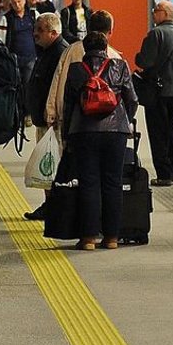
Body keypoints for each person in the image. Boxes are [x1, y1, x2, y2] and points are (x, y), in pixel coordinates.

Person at [62, 31, 139, 250]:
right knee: (113, 182)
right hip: (116, 132)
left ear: (85, 49)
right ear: (106, 48)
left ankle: (88, 238)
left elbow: (68, 105)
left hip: (84, 131)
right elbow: (132, 99)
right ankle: (112, 237)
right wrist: (126, 120)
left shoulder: (76, 69)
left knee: (88, 182)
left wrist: (67, 134)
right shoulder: (120, 66)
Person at [45, 10, 123, 154]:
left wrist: (51, 112)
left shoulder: (70, 52)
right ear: (110, 31)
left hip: (75, 122)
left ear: (87, 27)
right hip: (109, 123)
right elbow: (127, 95)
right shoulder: (115, 57)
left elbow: (57, 82)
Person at [135, 1, 173, 186]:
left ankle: (164, 174)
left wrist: (137, 57)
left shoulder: (155, 34)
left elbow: (145, 61)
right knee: (171, 129)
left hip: (158, 90)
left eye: (156, 10)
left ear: (165, 13)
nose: (153, 13)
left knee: (158, 132)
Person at [22, 13, 68, 220]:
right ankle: (51, 204)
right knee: (47, 165)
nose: (35, 34)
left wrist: (51, 114)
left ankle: (54, 206)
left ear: (53, 32)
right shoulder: (47, 51)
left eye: (40, 30)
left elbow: (58, 89)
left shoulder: (60, 53)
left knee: (51, 166)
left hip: (53, 122)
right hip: (45, 120)